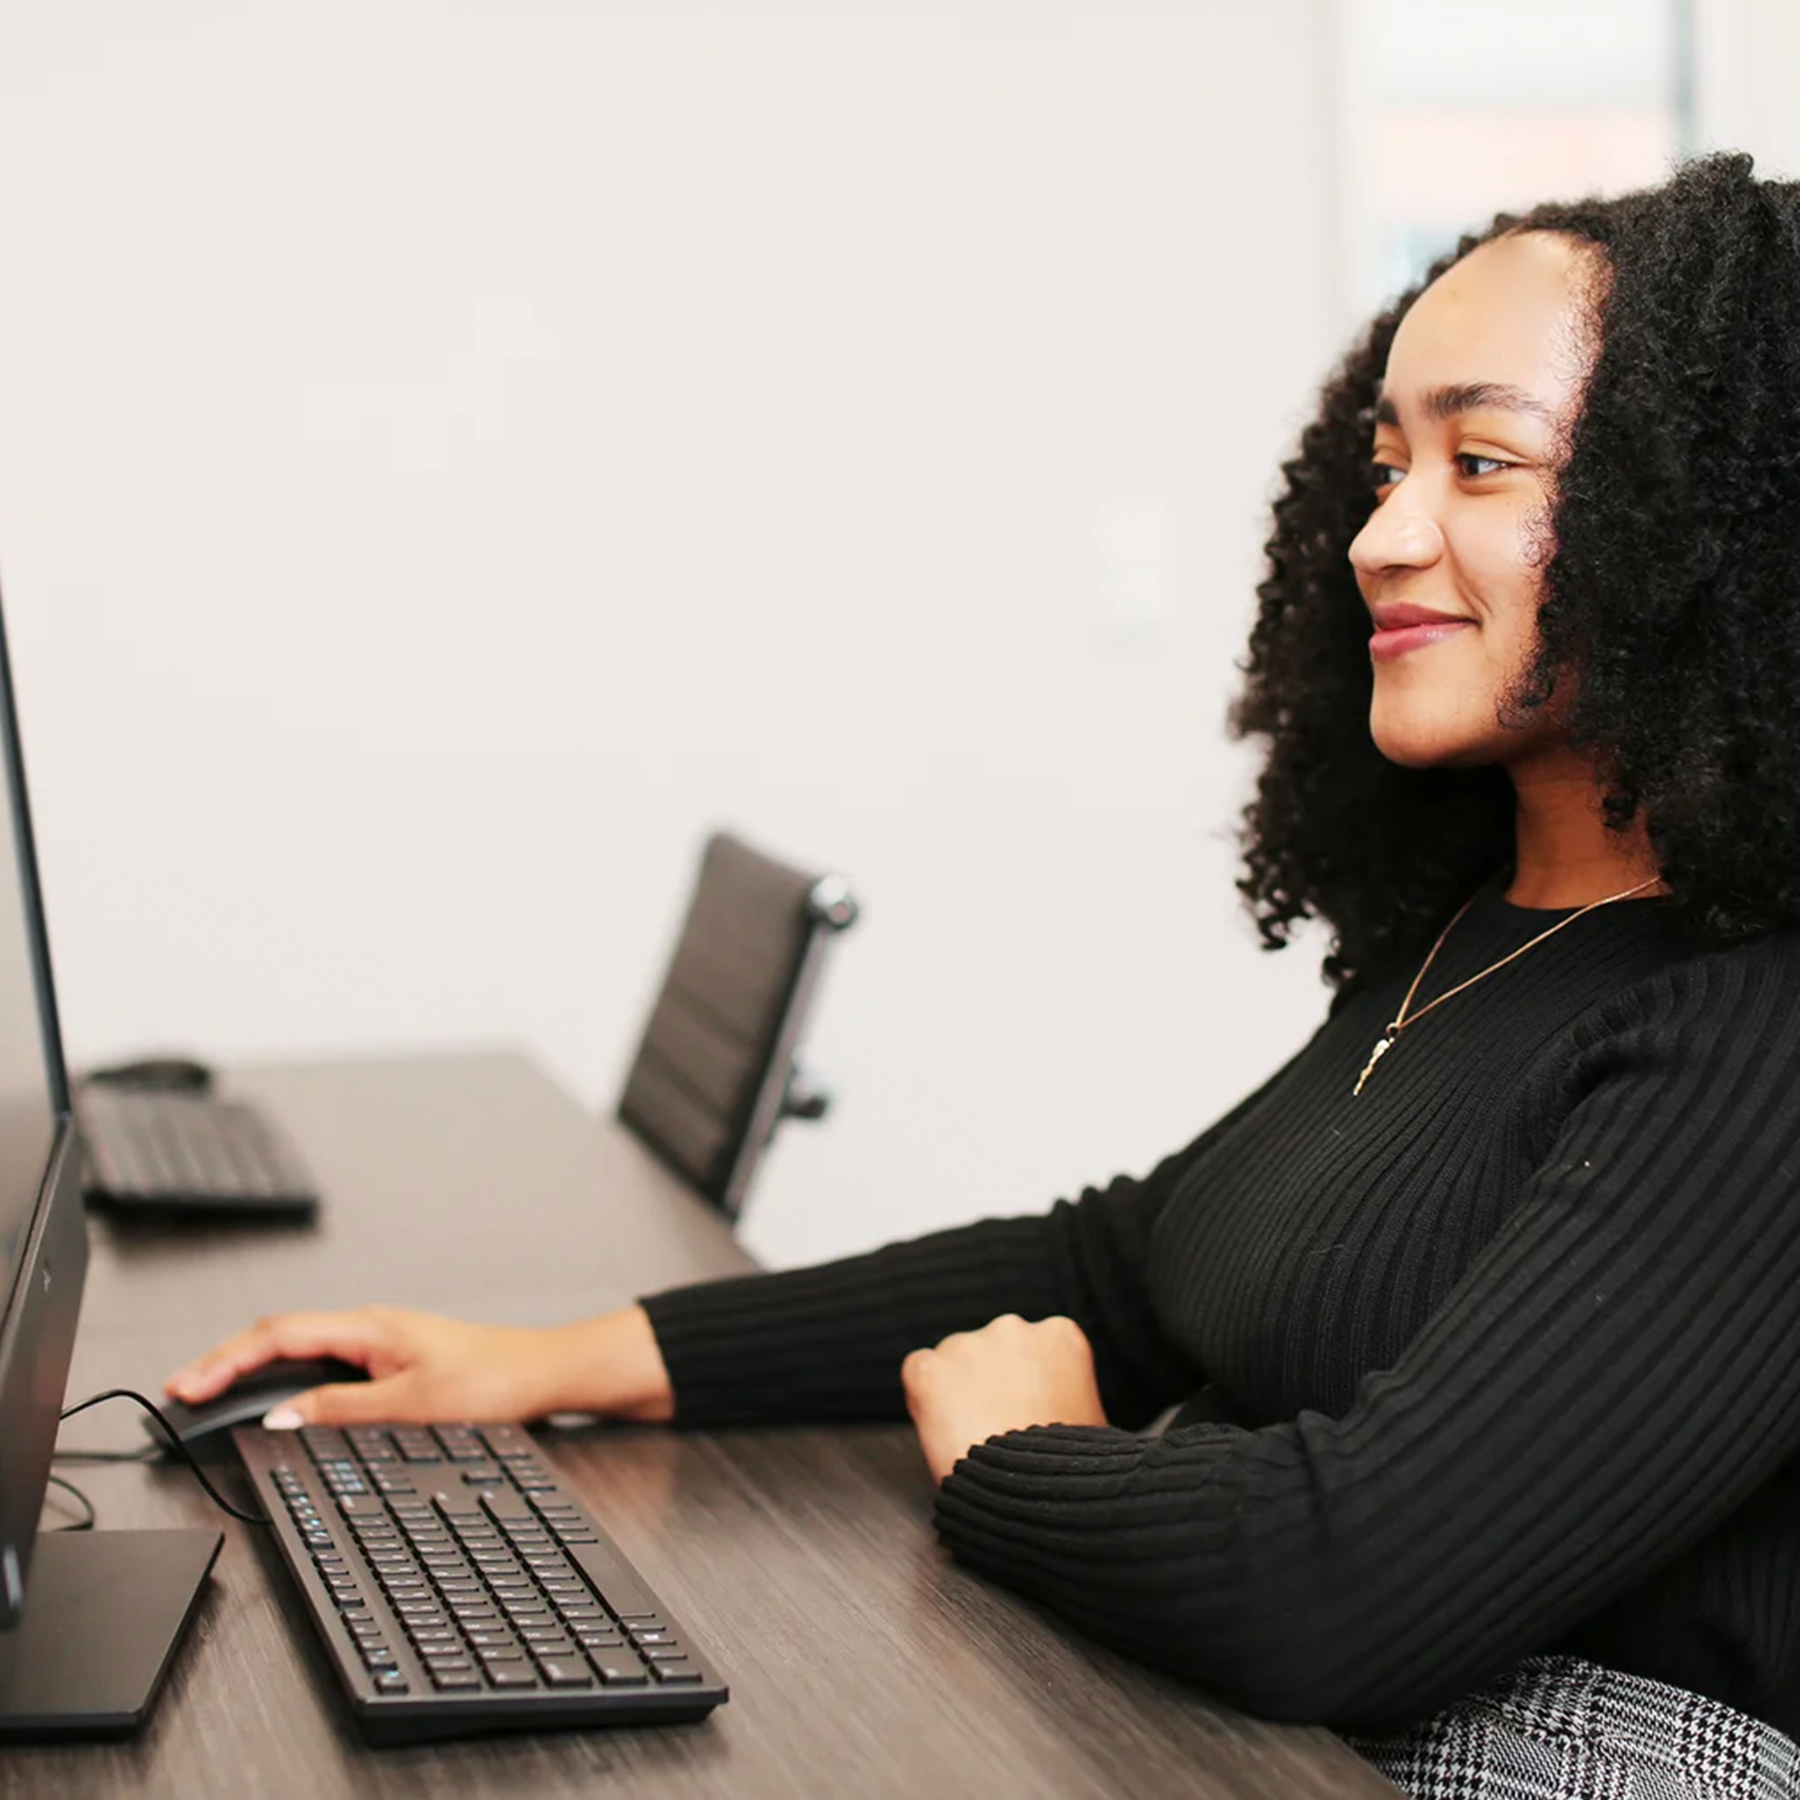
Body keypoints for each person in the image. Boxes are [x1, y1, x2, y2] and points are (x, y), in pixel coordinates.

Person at [167, 154, 1800, 1797]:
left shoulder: (1758, 1032)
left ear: (1712, 515)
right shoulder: (1479, 933)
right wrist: (558, 1361)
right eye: (1386, 466)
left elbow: (1342, 1585)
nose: (1384, 533)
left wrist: (1020, 1460)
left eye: (1483, 461)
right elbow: (1122, 1264)